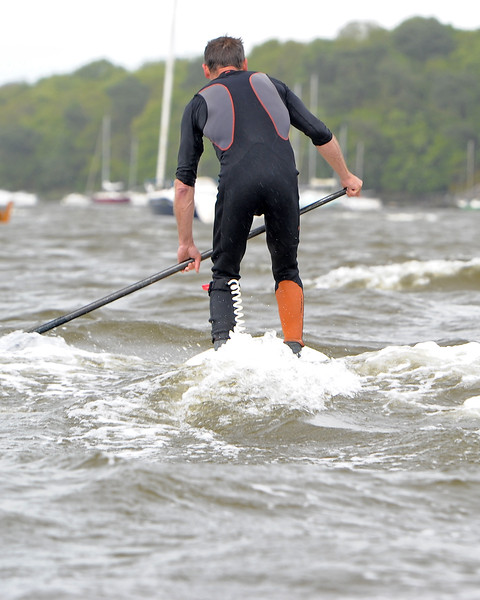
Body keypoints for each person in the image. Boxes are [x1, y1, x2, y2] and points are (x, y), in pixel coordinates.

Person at [174, 36, 362, 354]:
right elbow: (320, 133)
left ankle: (224, 349)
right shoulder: (272, 84)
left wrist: (186, 244)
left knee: (224, 269)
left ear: (206, 70)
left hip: (237, 186)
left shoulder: (198, 103)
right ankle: (294, 349)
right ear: (245, 63)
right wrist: (346, 176)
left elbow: (183, 186)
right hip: (283, 182)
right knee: (287, 268)